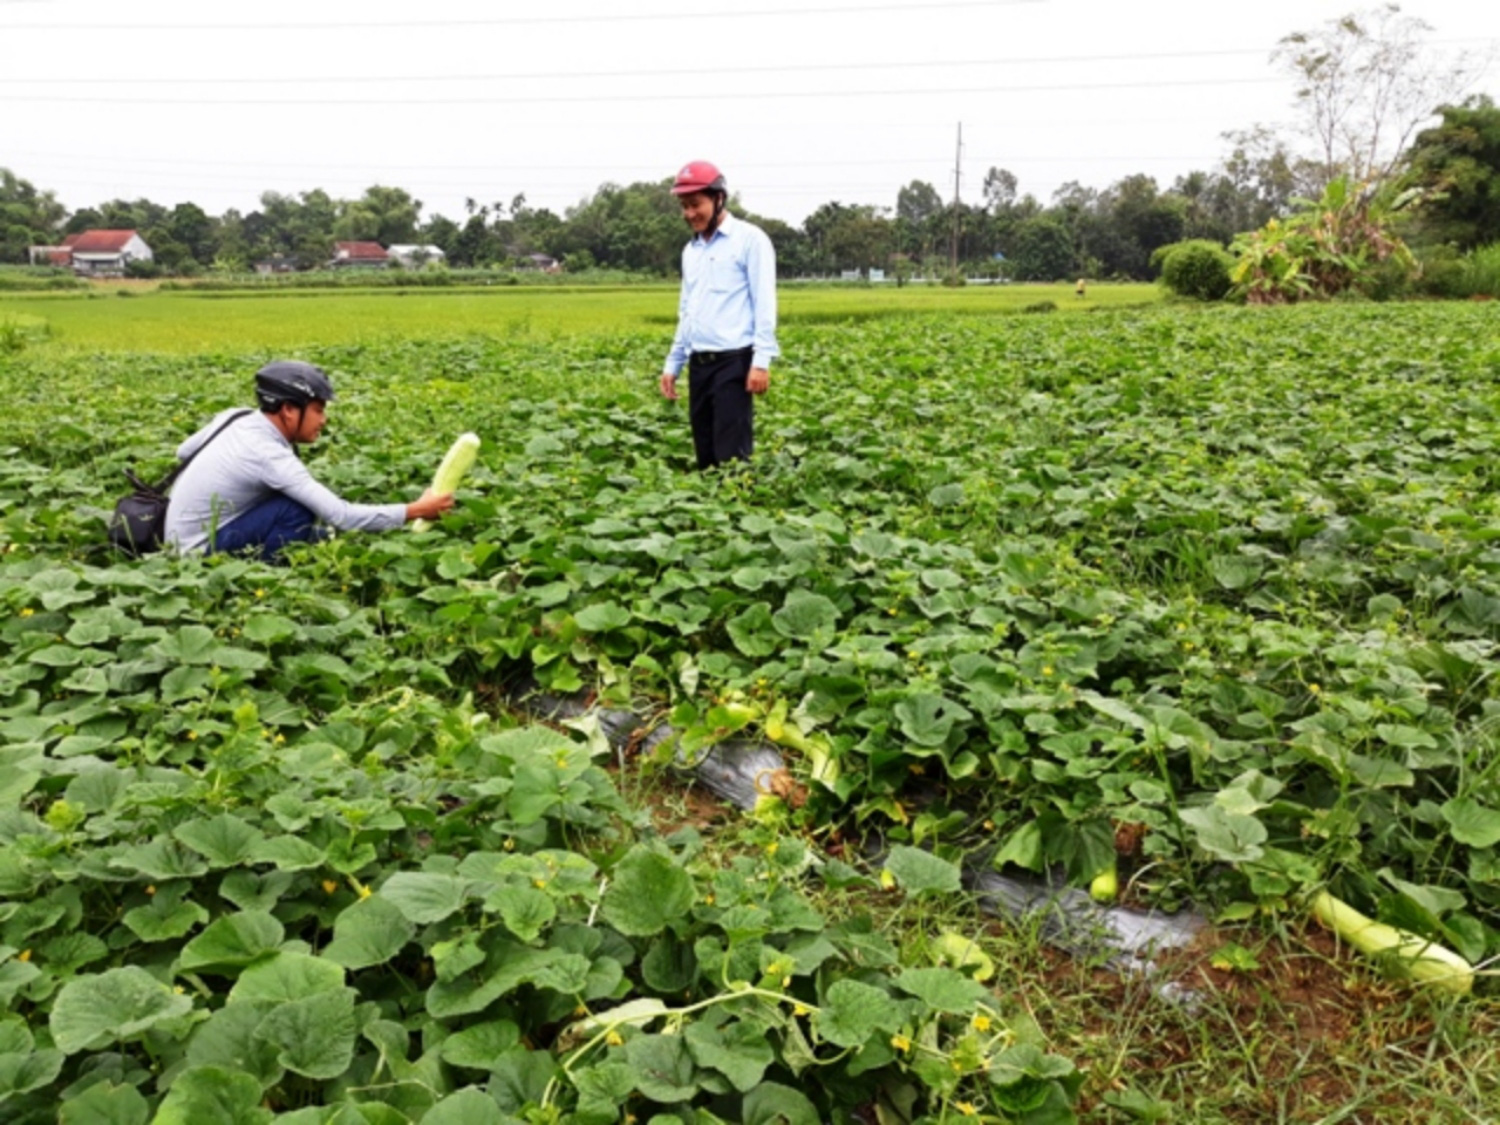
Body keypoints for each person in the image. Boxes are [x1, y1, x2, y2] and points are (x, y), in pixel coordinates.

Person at [164, 360, 454, 559]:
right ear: (289, 410)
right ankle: (271, 577)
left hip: (176, 538)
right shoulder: (269, 455)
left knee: (318, 535)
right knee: (295, 509)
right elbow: (342, 515)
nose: (324, 420)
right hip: (198, 553)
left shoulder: (235, 417)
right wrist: (416, 509)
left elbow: (183, 453)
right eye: (318, 410)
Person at [659, 160, 778, 469]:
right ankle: (710, 516)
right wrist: (674, 363)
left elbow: (764, 303)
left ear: (719, 198)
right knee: (706, 456)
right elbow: (687, 310)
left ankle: (738, 515)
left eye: (696, 204)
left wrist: (761, 362)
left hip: (734, 363)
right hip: (700, 365)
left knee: (732, 459)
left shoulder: (750, 240)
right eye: (684, 206)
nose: (689, 214)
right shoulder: (691, 250)